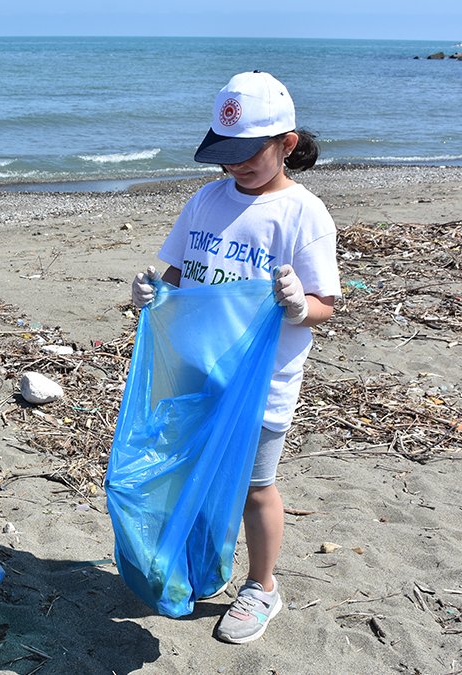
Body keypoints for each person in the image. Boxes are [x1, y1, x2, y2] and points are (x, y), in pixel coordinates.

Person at [130, 71, 340, 644]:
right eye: (225, 155)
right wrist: (153, 290)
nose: (235, 167)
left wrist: (299, 306)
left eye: (249, 155)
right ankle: (198, 561)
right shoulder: (206, 199)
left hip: (261, 385)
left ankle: (262, 587)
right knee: (195, 473)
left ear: (287, 145)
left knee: (253, 487)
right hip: (198, 373)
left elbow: (326, 304)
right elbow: (177, 270)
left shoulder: (304, 215)